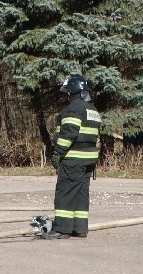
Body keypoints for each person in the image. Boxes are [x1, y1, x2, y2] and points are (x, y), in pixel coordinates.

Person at [42, 74, 100, 239]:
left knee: (65, 193)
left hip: (72, 159)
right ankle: (79, 228)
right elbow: (97, 138)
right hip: (88, 161)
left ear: (73, 90)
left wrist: (57, 153)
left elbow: (69, 134)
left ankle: (62, 229)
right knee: (81, 194)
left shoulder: (73, 109)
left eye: (67, 91)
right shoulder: (92, 110)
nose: (66, 95)